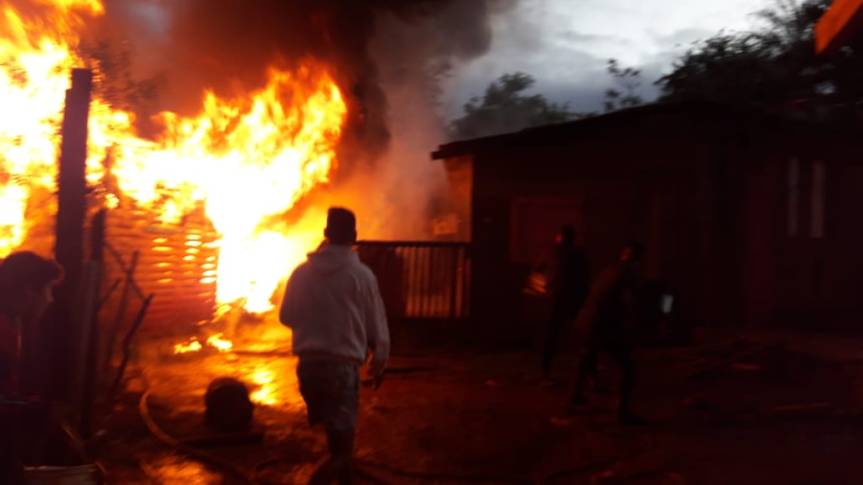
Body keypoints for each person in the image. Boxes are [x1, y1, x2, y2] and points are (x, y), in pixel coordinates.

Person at [280, 207, 390, 484]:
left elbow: (287, 316)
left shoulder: (301, 273)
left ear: (326, 233)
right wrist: (379, 363)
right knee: (343, 451)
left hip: (308, 369)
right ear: (354, 236)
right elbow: (377, 324)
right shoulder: (362, 276)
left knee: (334, 438)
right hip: (341, 370)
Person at [0, 251, 63, 484]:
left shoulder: (14, 324)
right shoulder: (3, 334)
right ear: (29, 290)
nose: (50, 299)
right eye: (48, 290)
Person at [568, 242, 645, 425]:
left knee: (585, 358)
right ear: (637, 259)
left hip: (585, 320)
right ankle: (622, 412)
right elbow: (630, 302)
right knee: (628, 367)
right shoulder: (629, 273)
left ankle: (574, 398)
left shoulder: (609, 270)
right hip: (602, 325)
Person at [541, 225, 590, 379]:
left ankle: (546, 369)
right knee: (581, 334)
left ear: (560, 237)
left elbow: (545, 272)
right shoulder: (578, 254)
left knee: (551, 334)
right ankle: (587, 370)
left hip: (557, 298)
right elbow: (584, 276)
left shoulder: (554, 252)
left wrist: (547, 286)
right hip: (573, 298)